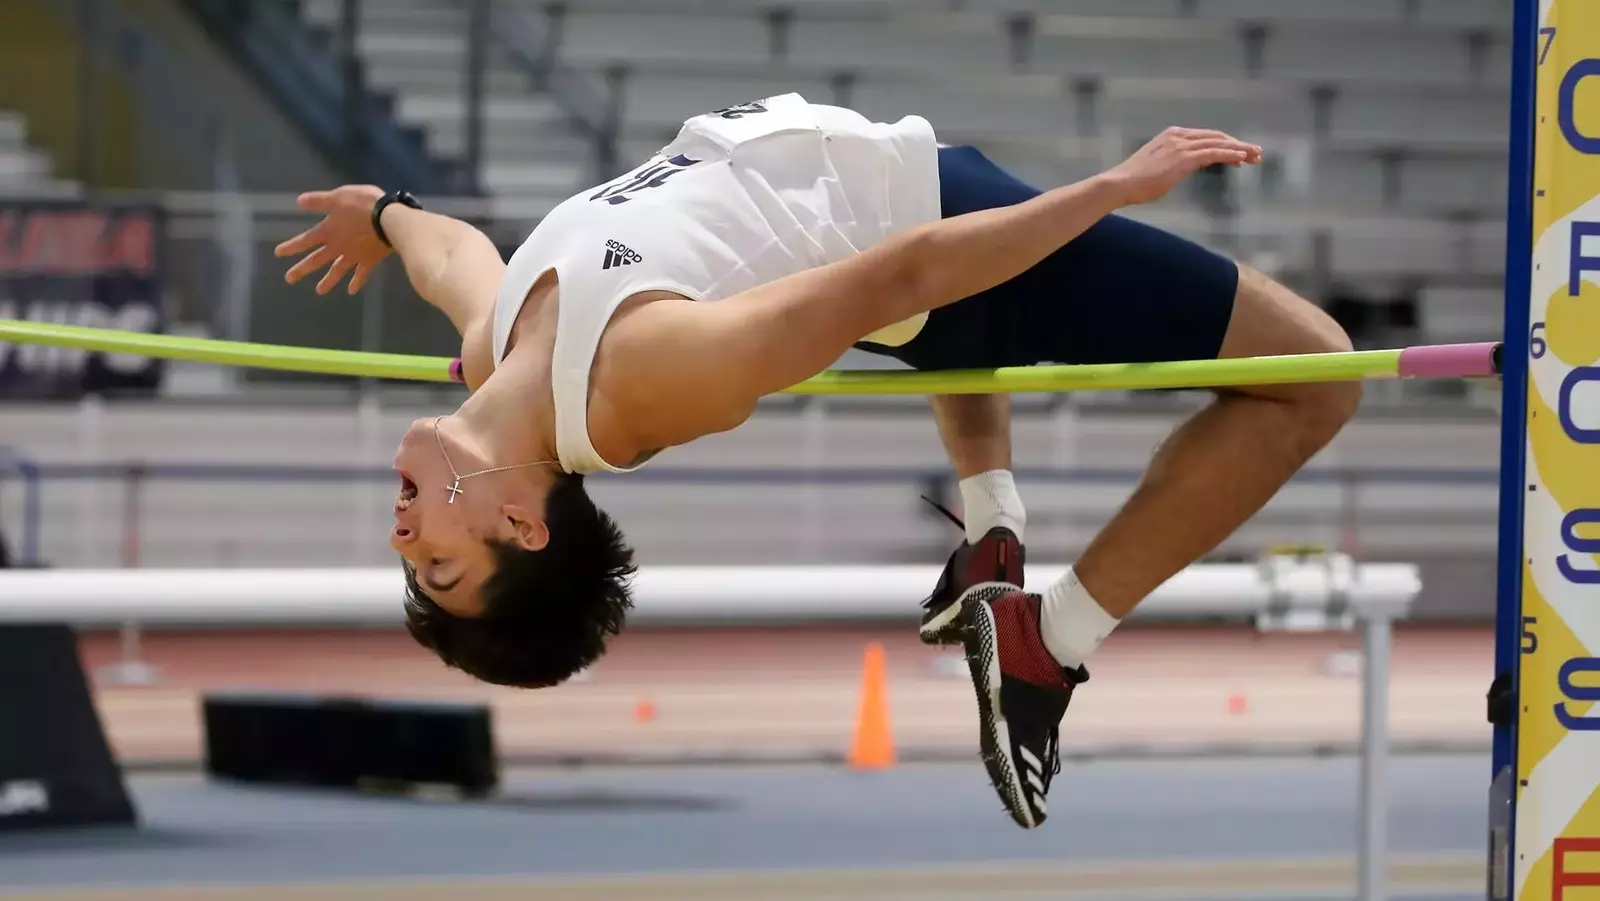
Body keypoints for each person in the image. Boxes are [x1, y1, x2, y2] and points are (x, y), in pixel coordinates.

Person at [274, 93, 1358, 830]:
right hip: (946, 228)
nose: (400, 537)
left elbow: (454, 258)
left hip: (904, 218)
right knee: (1320, 372)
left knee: (955, 333)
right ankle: (1053, 640)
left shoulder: (490, 351)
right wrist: (1111, 187)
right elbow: (903, 275)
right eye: (437, 569)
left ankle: (992, 533)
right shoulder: (649, 377)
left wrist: (382, 213)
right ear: (520, 526)